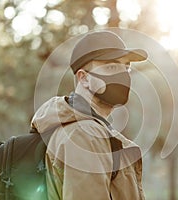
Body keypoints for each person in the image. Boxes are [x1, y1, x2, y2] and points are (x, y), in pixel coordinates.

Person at [31, 31, 148, 200]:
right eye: (112, 67)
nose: (123, 76)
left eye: (127, 68)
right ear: (84, 78)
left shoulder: (85, 128)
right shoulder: (84, 134)